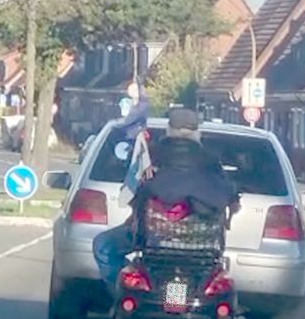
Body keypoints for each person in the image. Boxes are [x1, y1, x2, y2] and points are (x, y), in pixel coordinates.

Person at [93, 108, 239, 294]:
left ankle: (127, 291)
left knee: (104, 245)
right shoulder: (212, 162)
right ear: (197, 132)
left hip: (153, 240)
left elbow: (133, 193)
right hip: (203, 245)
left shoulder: (151, 155)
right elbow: (229, 194)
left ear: (169, 129)